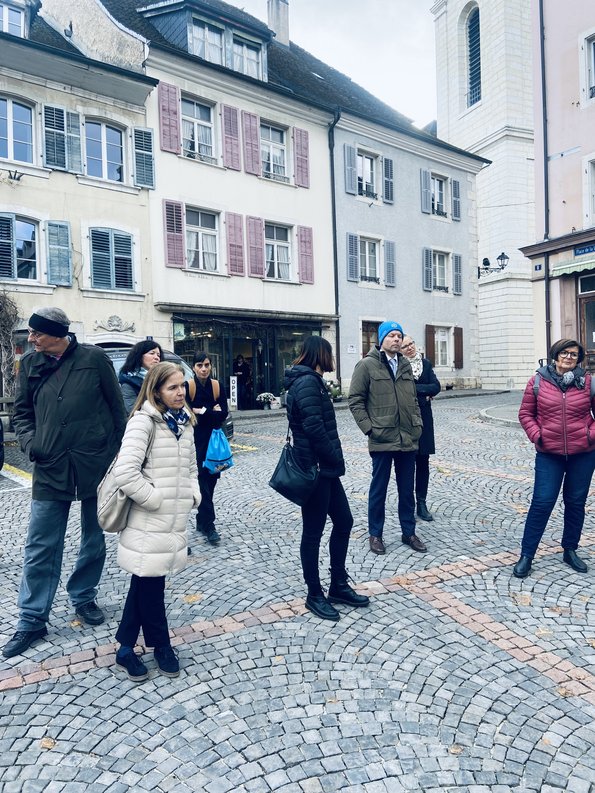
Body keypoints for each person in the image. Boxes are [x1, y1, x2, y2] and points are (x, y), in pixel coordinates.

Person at [3, 307, 126, 659]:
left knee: (94, 537)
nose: (31, 339)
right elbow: (21, 412)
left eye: (37, 333)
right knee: (40, 544)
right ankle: (31, 618)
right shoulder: (30, 362)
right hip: (50, 463)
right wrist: (32, 444)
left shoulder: (94, 358)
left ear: (58, 334)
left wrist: (119, 456)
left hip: (94, 463)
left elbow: (116, 408)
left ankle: (84, 596)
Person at [113, 362, 200, 680]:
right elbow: (125, 472)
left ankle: (126, 648)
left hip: (171, 520)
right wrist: (155, 500)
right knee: (150, 583)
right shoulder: (143, 421)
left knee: (147, 580)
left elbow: (191, 467)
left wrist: (193, 495)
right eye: (172, 387)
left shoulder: (185, 421)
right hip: (148, 520)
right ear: (156, 390)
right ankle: (161, 645)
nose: (180, 392)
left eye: (182, 385)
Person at [284, 336, 369, 621]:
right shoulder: (307, 382)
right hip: (316, 469)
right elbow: (314, 428)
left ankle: (338, 585)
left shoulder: (312, 381)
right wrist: (334, 456)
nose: (332, 359)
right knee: (313, 532)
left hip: (324, 469)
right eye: (329, 353)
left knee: (344, 521)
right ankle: (314, 594)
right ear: (320, 354)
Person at [514, 339, 595, 578]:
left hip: (583, 454)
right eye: (564, 353)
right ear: (555, 355)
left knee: (576, 502)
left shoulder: (588, 382)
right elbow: (525, 414)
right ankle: (527, 554)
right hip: (549, 454)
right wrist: (538, 436)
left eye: (574, 354)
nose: (569, 357)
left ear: (578, 359)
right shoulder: (538, 381)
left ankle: (570, 549)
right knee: (542, 502)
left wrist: (590, 435)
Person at [348, 321, 426, 556]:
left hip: (407, 437)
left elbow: (413, 398)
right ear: (381, 339)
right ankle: (376, 535)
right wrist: (369, 429)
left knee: (407, 491)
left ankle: (409, 533)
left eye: (399, 335)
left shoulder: (405, 364)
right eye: (391, 335)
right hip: (381, 437)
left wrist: (417, 423)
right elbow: (355, 400)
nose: (396, 339)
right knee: (379, 490)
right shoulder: (366, 365)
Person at [185, 351, 228, 545]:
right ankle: (210, 525)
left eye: (207, 365)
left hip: (214, 444)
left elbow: (223, 414)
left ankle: (201, 520)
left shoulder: (217, 386)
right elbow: (188, 415)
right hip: (196, 443)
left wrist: (202, 410)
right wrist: (212, 412)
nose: (204, 369)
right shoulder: (189, 387)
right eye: (200, 365)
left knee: (211, 482)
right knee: (202, 482)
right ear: (194, 367)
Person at [401, 336, 441, 522]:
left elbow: (436, 387)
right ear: (400, 350)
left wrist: (416, 389)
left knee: (423, 462)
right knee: (407, 463)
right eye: (405, 346)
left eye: (411, 344)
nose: (409, 348)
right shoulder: (400, 366)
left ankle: (422, 503)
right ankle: (407, 504)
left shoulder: (425, 363)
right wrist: (424, 391)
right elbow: (402, 389)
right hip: (407, 419)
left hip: (425, 418)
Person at [118, 340, 163, 413]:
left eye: (158, 355)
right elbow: (133, 410)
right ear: (139, 356)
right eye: (152, 353)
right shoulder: (128, 383)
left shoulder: (162, 378)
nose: (156, 358)